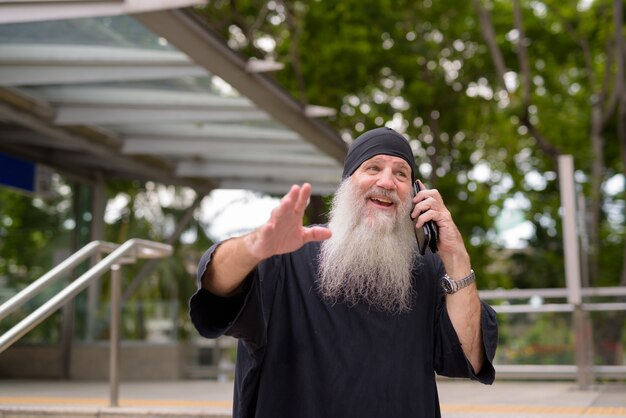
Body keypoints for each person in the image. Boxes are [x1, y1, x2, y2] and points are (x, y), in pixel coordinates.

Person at [190, 127, 498, 418]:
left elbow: (471, 356)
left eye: (401, 174)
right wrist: (254, 246)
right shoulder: (286, 254)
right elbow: (216, 286)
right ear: (347, 183)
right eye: (373, 168)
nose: (388, 182)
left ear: (415, 195)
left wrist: (457, 256)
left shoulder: (427, 267)